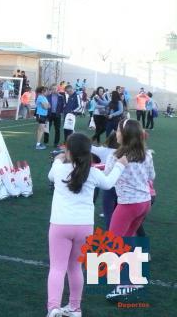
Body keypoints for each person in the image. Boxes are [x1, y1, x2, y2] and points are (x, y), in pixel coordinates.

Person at [46, 133, 126, 317]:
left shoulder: (58, 170)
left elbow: (51, 175)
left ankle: (53, 308)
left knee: (57, 268)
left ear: (69, 151)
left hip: (60, 224)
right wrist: (120, 165)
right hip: (84, 226)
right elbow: (108, 183)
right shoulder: (94, 172)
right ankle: (75, 308)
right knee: (75, 268)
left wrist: (58, 159)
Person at [105, 119, 155, 301]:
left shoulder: (115, 156)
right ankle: (135, 278)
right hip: (144, 203)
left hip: (128, 205)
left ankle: (123, 285)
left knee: (113, 243)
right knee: (129, 238)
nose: (115, 133)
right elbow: (151, 176)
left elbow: (107, 178)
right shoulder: (147, 154)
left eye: (118, 131)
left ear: (124, 135)